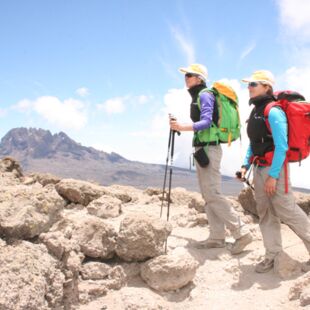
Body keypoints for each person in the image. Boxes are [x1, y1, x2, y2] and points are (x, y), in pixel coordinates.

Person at [170, 63, 252, 254]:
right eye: (185, 75)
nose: (186, 78)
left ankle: (242, 232)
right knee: (208, 195)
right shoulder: (199, 95)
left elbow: (207, 122)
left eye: (189, 75)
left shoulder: (205, 94)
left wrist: (181, 127)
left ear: (199, 78)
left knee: (213, 194)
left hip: (209, 149)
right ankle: (216, 237)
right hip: (204, 149)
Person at [240, 70, 310, 273]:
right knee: (265, 213)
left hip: (274, 169)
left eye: (253, 84)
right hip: (259, 168)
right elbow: (254, 143)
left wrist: (273, 175)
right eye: (249, 84)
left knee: (287, 210)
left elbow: (282, 146)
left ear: (266, 87)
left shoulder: (274, 111)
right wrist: (245, 165)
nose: (249, 87)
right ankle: (272, 256)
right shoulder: (256, 111)